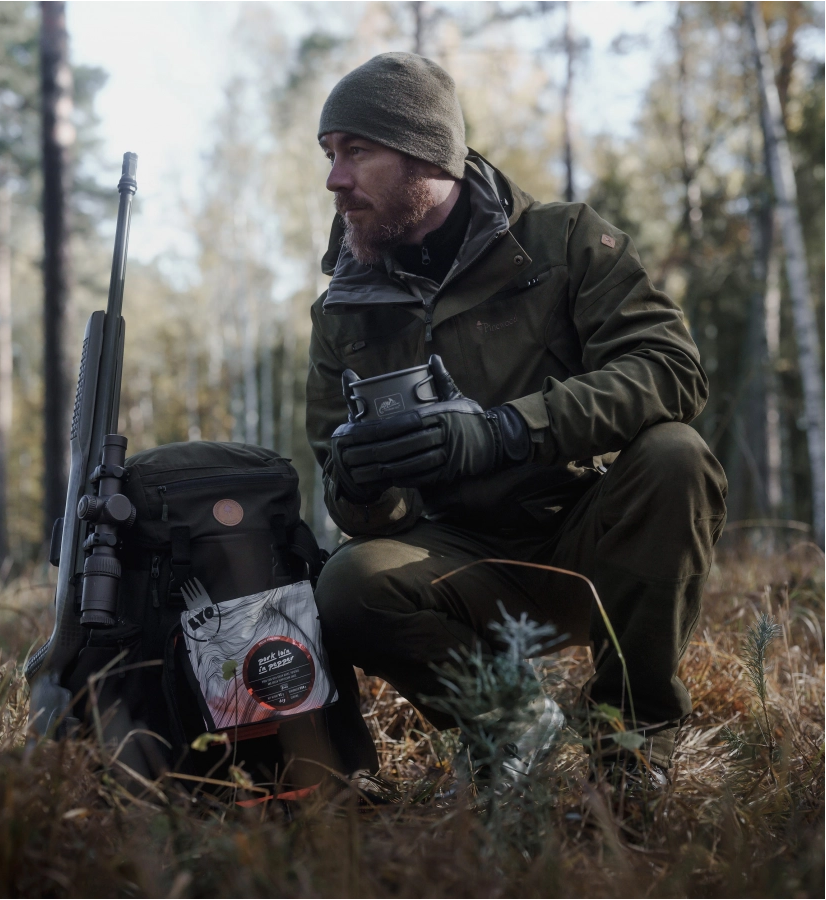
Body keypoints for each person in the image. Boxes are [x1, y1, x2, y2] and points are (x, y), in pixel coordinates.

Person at [306, 52, 728, 788]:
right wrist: (364, 484)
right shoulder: (343, 307)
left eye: (356, 152)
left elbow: (671, 370)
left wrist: (506, 429)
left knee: (676, 456)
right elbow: (358, 501)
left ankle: (630, 746)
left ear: (425, 155)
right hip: (459, 564)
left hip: (586, 544)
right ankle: (511, 726)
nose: (336, 179)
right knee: (348, 582)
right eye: (330, 156)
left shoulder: (563, 242)